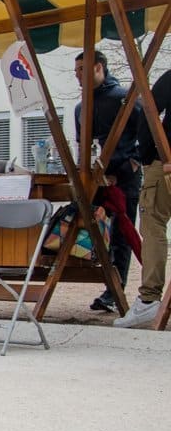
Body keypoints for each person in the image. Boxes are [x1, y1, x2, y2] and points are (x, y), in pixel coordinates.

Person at [74, 50, 142, 313]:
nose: (78, 75)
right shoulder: (81, 107)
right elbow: (82, 145)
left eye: (82, 69)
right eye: (76, 71)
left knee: (121, 235)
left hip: (124, 179)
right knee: (85, 227)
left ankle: (115, 290)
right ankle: (106, 285)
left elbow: (145, 132)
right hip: (93, 179)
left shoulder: (124, 98)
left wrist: (130, 165)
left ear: (99, 67)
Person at [115, 68, 171, 328]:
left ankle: (149, 300)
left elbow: (149, 110)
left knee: (153, 224)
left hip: (165, 162)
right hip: (162, 159)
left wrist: (149, 154)